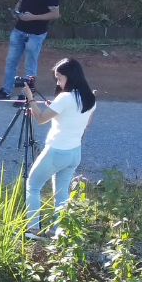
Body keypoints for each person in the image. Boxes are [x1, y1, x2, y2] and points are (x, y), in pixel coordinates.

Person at [22, 57, 96, 237]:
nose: (58, 82)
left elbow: (40, 119)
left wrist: (30, 98)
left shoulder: (65, 97)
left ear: (70, 77)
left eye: (59, 78)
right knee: (62, 194)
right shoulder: (90, 97)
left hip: (56, 151)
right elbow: (81, 123)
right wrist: (54, 109)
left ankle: (33, 229)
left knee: (33, 186)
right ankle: (59, 232)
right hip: (74, 152)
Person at [0, 0, 60, 100]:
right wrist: (16, 11)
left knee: (30, 65)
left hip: (36, 33)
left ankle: (26, 95)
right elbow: (20, 2)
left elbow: (55, 14)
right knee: (11, 61)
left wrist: (34, 17)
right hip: (19, 30)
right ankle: (6, 90)